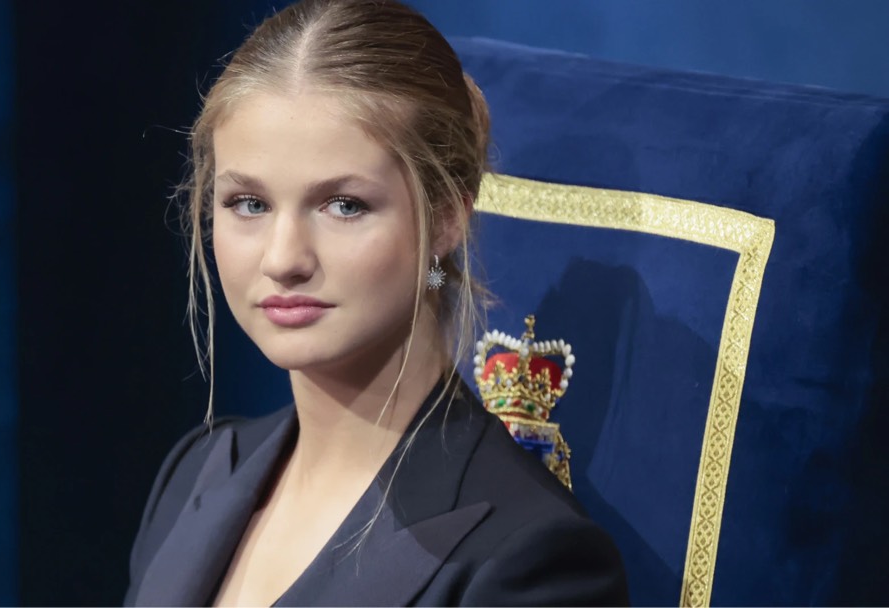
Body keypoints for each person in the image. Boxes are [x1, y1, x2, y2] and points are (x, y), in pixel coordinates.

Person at [125, 0, 629, 605]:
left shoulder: (530, 560)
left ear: (447, 217)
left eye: (344, 205)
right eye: (249, 204)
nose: (283, 259)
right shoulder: (194, 475)